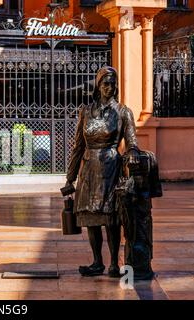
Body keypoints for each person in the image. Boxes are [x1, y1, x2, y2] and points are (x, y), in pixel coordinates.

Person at [65, 66, 139, 277]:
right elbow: (78, 145)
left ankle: (114, 263)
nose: (110, 87)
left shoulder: (123, 112)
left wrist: (132, 152)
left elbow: (132, 141)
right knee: (91, 217)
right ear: (98, 85)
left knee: (111, 217)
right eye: (105, 83)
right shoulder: (86, 111)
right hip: (88, 169)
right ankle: (97, 261)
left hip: (111, 167)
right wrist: (70, 177)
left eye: (113, 83)